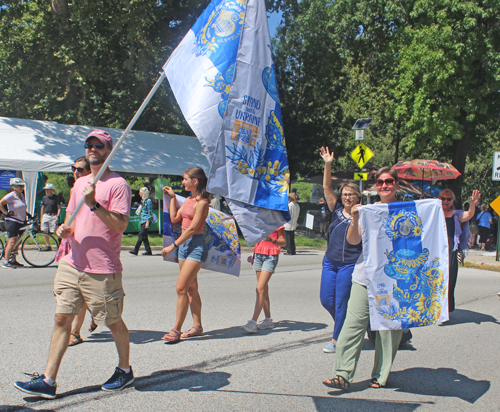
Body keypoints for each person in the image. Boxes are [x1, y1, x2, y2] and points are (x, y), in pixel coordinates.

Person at [14, 129, 134, 399]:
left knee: (112, 322)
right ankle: (48, 380)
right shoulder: (79, 184)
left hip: (102, 267)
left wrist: (93, 204)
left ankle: (125, 371)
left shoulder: (118, 185)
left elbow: (121, 225)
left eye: (99, 145)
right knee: (61, 318)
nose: (93, 148)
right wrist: (64, 231)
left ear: (108, 149)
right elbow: (71, 220)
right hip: (72, 263)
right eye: (89, 144)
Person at [323, 167, 404, 390]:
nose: (384, 185)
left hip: (394, 279)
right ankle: (342, 373)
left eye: (389, 181)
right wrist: (356, 218)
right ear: (376, 186)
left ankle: (381, 374)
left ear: (396, 184)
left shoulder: (408, 210)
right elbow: (353, 240)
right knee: (352, 324)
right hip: (364, 275)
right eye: (380, 182)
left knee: (388, 328)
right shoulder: (368, 209)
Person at [318, 147, 362, 353]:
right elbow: (327, 186)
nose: (347, 197)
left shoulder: (362, 213)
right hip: (330, 262)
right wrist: (328, 163)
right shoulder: (335, 209)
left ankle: (337, 340)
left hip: (349, 264)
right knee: (327, 299)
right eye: (345, 194)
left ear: (357, 197)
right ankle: (350, 326)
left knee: (342, 302)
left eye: (351, 194)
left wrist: (357, 215)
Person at [161, 167, 210, 342]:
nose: (183, 182)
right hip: (184, 247)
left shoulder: (202, 202)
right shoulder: (188, 200)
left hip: (196, 246)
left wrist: (172, 246)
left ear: (194, 181)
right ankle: (197, 326)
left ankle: (176, 329)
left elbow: (192, 229)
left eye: (185, 179)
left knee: (181, 288)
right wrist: (173, 198)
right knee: (191, 288)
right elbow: (174, 219)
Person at [54, 157, 96, 347]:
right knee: (67, 289)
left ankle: (76, 332)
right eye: (73, 169)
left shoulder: (95, 189)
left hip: (87, 245)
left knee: (82, 289)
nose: (75, 172)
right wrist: (62, 228)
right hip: (71, 241)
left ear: (89, 171)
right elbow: (69, 217)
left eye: (80, 169)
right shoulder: (75, 189)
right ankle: (94, 312)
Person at [439, 188, 480, 313]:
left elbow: (469, 215)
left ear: (452, 201)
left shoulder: (456, 214)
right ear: (439, 199)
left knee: (449, 280)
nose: (446, 201)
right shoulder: (434, 213)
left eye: (449, 199)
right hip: (436, 248)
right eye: (443, 198)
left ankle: (446, 310)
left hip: (451, 249)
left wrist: (472, 203)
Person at [242, 226, 286, 333]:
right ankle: (268, 320)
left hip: (271, 256)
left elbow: (283, 242)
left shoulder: (276, 221)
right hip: (258, 254)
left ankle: (253, 322)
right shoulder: (259, 221)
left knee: (260, 288)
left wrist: (273, 240)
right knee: (264, 289)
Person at [0, 178, 27, 268]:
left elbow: (21, 207)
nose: (21, 187)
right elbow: (0, 203)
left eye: (22, 186)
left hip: (21, 221)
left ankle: (13, 260)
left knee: (18, 241)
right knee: (12, 241)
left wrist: (28, 215)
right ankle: (6, 261)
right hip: (12, 221)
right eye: (19, 186)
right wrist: (6, 213)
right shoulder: (11, 195)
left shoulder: (21, 195)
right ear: (14, 187)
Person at [129, 187, 154, 256]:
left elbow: (149, 212)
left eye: (140, 192)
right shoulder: (143, 201)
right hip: (142, 220)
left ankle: (135, 250)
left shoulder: (148, 201)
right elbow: (142, 212)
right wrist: (141, 220)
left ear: (144, 193)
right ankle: (148, 250)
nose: (139, 194)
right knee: (144, 237)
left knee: (141, 235)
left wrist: (147, 222)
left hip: (146, 220)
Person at [40, 183, 61, 250]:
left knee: (54, 231)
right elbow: (43, 207)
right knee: (44, 230)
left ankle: (61, 242)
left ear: (51, 190)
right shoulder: (44, 198)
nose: (47, 191)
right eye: (46, 190)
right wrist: (42, 216)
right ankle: (48, 245)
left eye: (48, 190)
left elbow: (59, 207)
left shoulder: (56, 197)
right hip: (46, 215)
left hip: (53, 215)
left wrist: (57, 216)